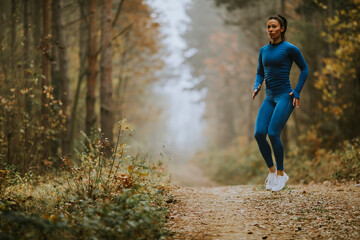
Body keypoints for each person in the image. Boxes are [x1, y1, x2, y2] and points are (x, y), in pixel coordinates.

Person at [252, 15, 309, 191]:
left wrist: (297, 91)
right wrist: (257, 85)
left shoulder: (290, 49)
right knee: (259, 134)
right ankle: (272, 172)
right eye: (268, 26)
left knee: (273, 133)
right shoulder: (263, 50)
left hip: (285, 96)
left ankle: (281, 174)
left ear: (282, 29)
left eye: (274, 26)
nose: (270, 30)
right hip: (269, 97)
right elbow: (260, 72)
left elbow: (305, 68)